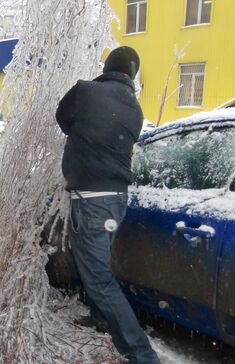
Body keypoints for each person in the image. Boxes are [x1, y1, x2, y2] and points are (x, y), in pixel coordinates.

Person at [55, 46, 160, 363]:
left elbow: (62, 118)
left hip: (91, 201)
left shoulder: (85, 91)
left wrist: (81, 132)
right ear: (132, 74)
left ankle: (141, 354)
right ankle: (102, 320)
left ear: (107, 66)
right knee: (98, 266)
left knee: (98, 278)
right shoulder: (136, 109)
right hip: (116, 201)